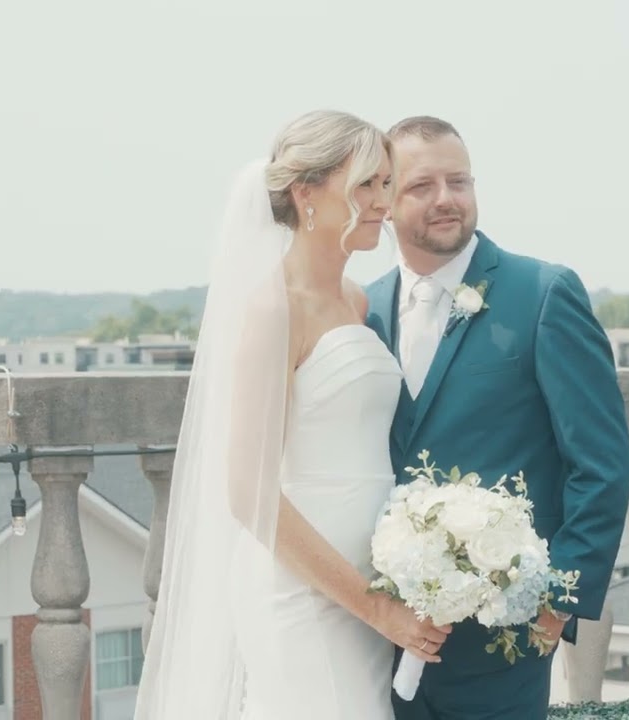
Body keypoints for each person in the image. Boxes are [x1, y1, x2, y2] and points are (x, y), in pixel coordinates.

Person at [134, 109, 450, 720]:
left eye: (387, 183)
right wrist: (375, 608)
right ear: (307, 192)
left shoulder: (357, 300)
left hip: (371, 578)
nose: (384, 202)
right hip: (303, 591)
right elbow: (249, 492)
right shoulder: (271, 309)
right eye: (365, 184)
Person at [364, 116, 629, 720]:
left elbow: (602, 462)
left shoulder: (542, 293)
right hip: (377, 636)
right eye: (421, 185)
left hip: (501, 641)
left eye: (459, 181)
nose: (446, 199)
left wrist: (557, 600)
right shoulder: (363, 311)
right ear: (383, 200)